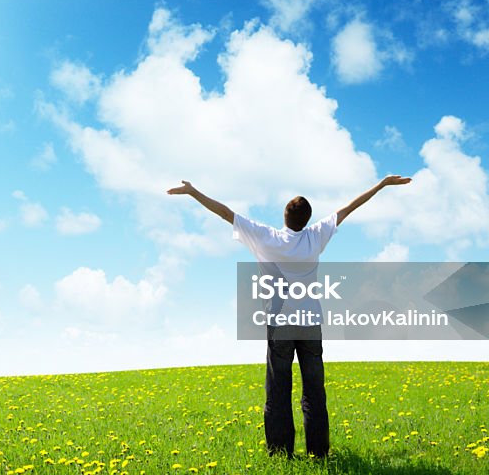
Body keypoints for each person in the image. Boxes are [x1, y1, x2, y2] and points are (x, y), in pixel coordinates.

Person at [167, 175, 411, 459]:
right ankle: (318, 453)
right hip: (310, 325)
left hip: (280, 325)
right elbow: (348, 208)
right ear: (307, 220)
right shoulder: (315, 237)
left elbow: (224, 212)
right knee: (314, 391)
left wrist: (193, 191)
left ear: (284, 216)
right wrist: (380, 185)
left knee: (278, 389)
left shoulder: (266, 237)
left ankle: (281, 454)